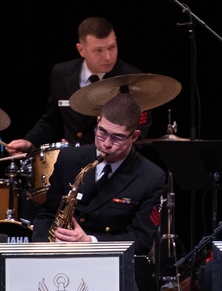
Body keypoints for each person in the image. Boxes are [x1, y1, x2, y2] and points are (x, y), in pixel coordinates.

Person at [31, 93, 166, 250]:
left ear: (134, 136)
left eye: (118, 137)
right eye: (102, 132)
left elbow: (141, 240)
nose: (106, 144)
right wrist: (42, 249)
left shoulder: (151, 177)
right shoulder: (68, 159)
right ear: (98, 122)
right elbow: (47, 214)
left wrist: (90, 242)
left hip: (111, 265)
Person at [7, 17, 148, 157]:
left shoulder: (132, 79)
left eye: (112, 47)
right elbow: (52, 120)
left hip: (110, 163)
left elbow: (138, 135)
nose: (108, 57)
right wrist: (30, 141)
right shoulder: (61, 74)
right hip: (71, 163)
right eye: (98, 50)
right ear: (81, 50)